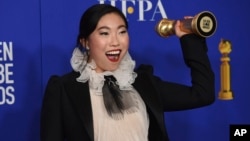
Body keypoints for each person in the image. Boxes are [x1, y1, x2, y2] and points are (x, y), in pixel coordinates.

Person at [40, 3, 215, 141]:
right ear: (85, 42)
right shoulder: (63, 89)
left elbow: (203, 94)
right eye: (104, 33)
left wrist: (190, 39)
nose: (115, 42)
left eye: (122, 32)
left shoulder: (143, 83)